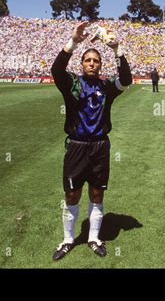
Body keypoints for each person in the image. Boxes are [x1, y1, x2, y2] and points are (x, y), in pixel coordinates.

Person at [50, 21, 132, 261]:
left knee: (97, 194)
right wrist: (74, 42)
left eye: (96, 61)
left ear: (100, 65)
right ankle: (67, 240)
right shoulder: (72, 84)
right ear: (82, 63)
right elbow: (56, 70)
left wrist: (117, 49)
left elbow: (126, 80)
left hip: (99, 147)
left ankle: (94, 238)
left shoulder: (107, 87)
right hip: (76, 147)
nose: (92, 64)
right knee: (72, 195)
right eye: (88, 60)